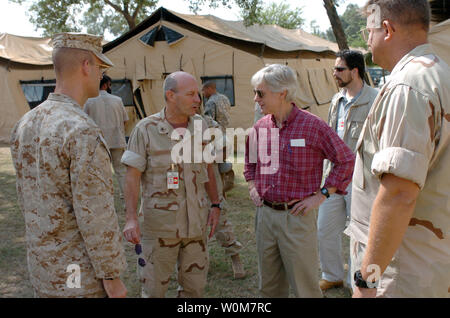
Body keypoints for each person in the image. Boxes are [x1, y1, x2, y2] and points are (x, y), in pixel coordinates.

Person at [9, 32, 127, 298]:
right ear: (87, 66)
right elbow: (96, 213)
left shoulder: (25, 122)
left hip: (43, 269)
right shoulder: (80, 130)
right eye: (101, 67)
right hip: (78, 273)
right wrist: (112, 278)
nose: (101, 74)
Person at [348, 0, 450, 298]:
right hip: (428, 262)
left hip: (403, 274)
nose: (367, 41)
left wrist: (367, 282)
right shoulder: (438, 73)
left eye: (369, 31)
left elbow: (399, 195)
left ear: (388, 29)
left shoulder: (408, 86)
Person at [244, 64, 355, 298]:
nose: (256, 99)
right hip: (265, 217)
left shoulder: (313, 125)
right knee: (269, 288)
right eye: (255, 93)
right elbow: (250, 162)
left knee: (305, 289)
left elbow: (346, 160)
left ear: (282, 92)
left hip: (296, 218)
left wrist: (322, 194)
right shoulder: (261, 126)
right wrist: (252, 185)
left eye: (260, 93)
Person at [121, 71, 222, 298]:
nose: (198, 99)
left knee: (194, 291)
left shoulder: (201, 125)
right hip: (159, 230)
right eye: (191, 94)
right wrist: (130, 218)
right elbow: (132, 176)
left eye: (198, 94)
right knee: (154, 291)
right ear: (171, 96)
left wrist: (216, 205)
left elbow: (208, 168)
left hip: (195, 226)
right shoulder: (146, 129)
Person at [318, 50, 378, 292]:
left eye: (339, 69)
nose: (334, 73)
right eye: (334, 69)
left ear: (355, 71)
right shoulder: (336, 100)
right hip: (334, 178)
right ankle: (332, 275)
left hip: (361, 180)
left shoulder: (376, 99)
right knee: (324, 229)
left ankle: (358, 284)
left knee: (359, 236)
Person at [195, 100, 246, 280]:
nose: (194, 102)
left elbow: (224, 149)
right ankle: (197, 262)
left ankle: (235, 257)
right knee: (191, 228)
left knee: (222, 223)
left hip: (210, 184)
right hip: (186, 190)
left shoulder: (207, 123)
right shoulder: (169, 125)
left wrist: (205, 158)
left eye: (196, 97)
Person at [84, 74, 129, 202]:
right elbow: (125, 120)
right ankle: (125, 196)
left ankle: (104, 197)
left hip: (98, 142)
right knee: (121, 171)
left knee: (100, 171)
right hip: (116, 140)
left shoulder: (89, 101)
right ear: (105, 84)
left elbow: (84, 120)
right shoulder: (118, 100)